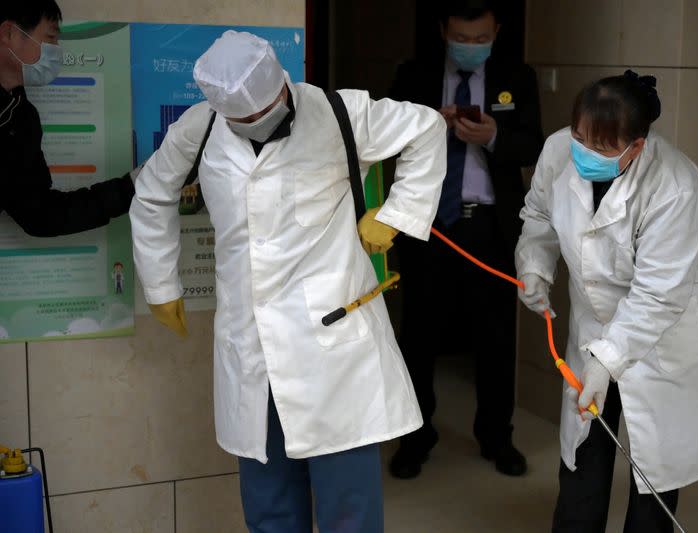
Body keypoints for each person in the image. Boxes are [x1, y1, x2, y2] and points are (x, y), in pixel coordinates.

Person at [129, 31, 446, 533]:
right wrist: (160, 285)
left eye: (266, 111)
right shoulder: (200, 127)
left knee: (349, 511)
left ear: (282, 83)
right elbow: (151, 194)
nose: (258, 125)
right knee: (269, 508)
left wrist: (398, 215)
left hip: (333, 346)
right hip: (251, 346)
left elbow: (427, 128)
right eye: (244, 121)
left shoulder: (341, 113)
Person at [516, 70, 698, 532]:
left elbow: (657, 294)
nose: (585, 153)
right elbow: (538, 214)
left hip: (661, 336)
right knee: (583, 455)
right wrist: (534, 263)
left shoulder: (675, 185)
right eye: (580, 137)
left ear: (637, 146)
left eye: (603, 147)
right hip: (593, 324)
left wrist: (609, 360)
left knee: (654, 468)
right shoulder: (558, 151)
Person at [388, 0, 543, 479]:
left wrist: (494, 135)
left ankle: (497, 437)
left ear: (496, 31)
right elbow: (385, 137)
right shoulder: (414, 75)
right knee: (418, 334)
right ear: (443, 30)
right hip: (428, 223)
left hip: (488, 226)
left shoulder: (517, 77)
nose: (471, 47)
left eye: (481, 38)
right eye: (462, 38)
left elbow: (534, 144)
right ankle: (415, 438)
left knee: (496, 337)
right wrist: (429, 126)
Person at [0, 1, 135, 237]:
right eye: (51, 37)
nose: (56, 49)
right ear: (9, 33)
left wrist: (131, 188)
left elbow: (42, 214)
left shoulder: (22, 119)